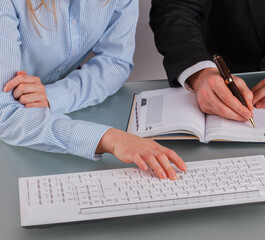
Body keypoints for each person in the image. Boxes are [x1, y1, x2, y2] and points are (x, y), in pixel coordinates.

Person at [0, 0, 187, 180]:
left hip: (43, 126)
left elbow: (115, 62)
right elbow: (5, 114)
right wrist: (107, 138)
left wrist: (53, 96)